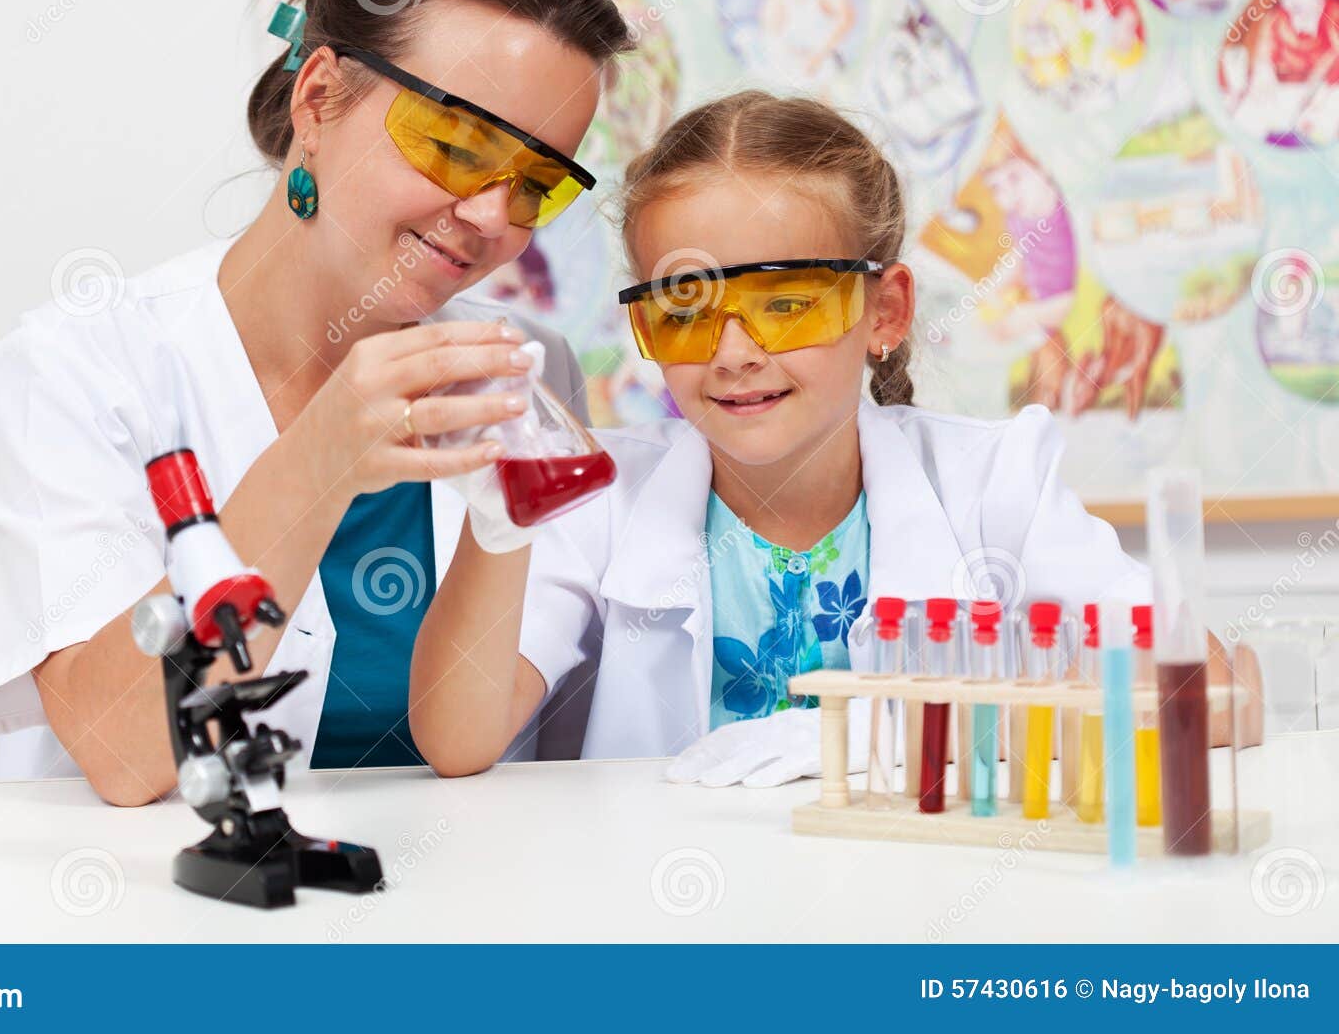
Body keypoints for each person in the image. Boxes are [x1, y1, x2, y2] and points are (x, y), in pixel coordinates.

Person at [0, 0, 634, 805]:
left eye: (536, 182)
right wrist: (317, 463)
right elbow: (124, 750)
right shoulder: (83, 363)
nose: (490, 218)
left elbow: (470, 737)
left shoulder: (525, 373)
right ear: (318, 99)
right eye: (455, 144)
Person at [411, 90, 1262, 781]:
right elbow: (456, 741)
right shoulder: (601, 495)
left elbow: (1212, 690)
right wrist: (500, 517)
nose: (735, 354)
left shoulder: (992, 480)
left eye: (786, 303)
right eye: (683, 310)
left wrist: (880, 742)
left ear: (884, 311)